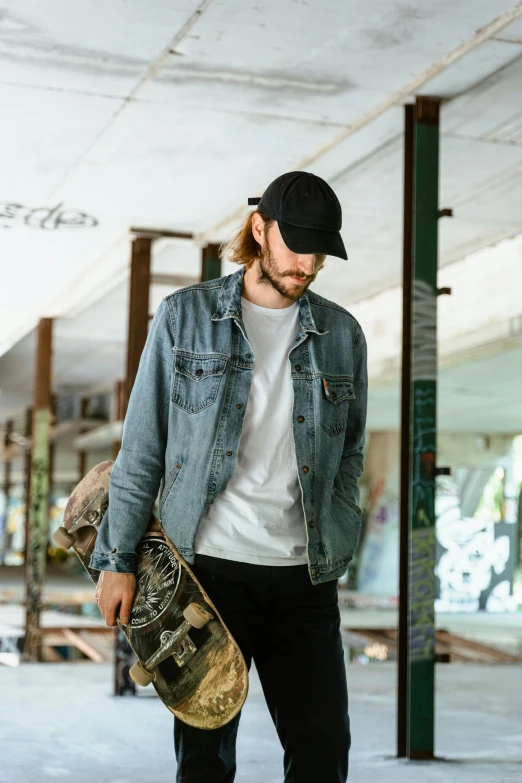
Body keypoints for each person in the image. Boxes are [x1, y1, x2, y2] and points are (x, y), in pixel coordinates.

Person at [90, 170, 368, 782]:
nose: (308, 263)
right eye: (295, 244)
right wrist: (117, 559)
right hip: (208, 578)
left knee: (323, 752)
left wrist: (343, 532)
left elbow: (351, 453)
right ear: (259, 229)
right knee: (204, 762)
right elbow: (142, 449)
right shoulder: (183, 318)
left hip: (304, 578)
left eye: (320, 250)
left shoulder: (342, 335)